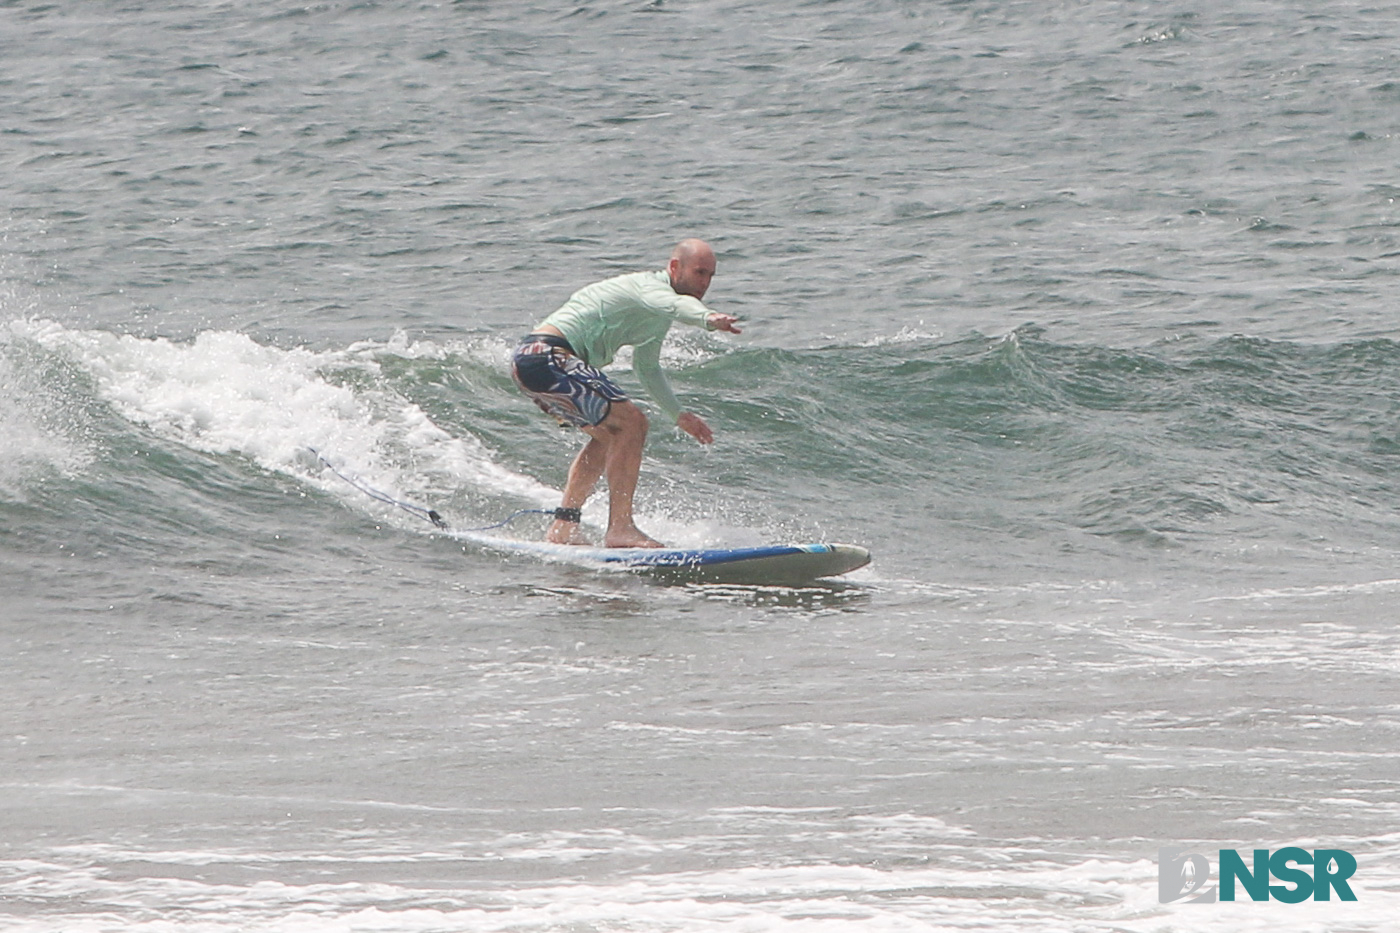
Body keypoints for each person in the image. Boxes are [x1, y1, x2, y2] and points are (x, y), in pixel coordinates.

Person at [511, 238, 741, 548]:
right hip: (547, 356)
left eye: (710, 276)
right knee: (633, 423)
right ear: (675, 267)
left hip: (533, 362)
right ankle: (621, 528)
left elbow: (646, 367)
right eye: (699, 273)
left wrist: (678, 414)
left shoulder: (657, 312)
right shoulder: (650, 288)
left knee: (610, 435)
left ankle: (563, 527)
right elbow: (675, 304)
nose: (705, 283)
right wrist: (706, 318)